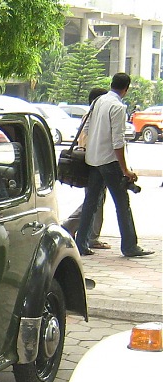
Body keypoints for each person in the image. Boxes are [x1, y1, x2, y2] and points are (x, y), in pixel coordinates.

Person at [76, 73, 153, 258]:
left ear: (112, 84)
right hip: (109, 162)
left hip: (93, 160)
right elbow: (118, 142)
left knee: (91, 203)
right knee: (122, 204)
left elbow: (85, 129)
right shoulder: (118, 106)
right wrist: (125, 170)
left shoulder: (98, 101)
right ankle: (129, 246)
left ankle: (81, 244)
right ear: (126, 89)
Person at [61, 87, 110, 250]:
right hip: (93, 162)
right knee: (93, 200)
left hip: (89, 161)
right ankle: (71, 227)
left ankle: (90, 235)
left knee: (95, 200)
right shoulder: (95, 118)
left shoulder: (89, 116)